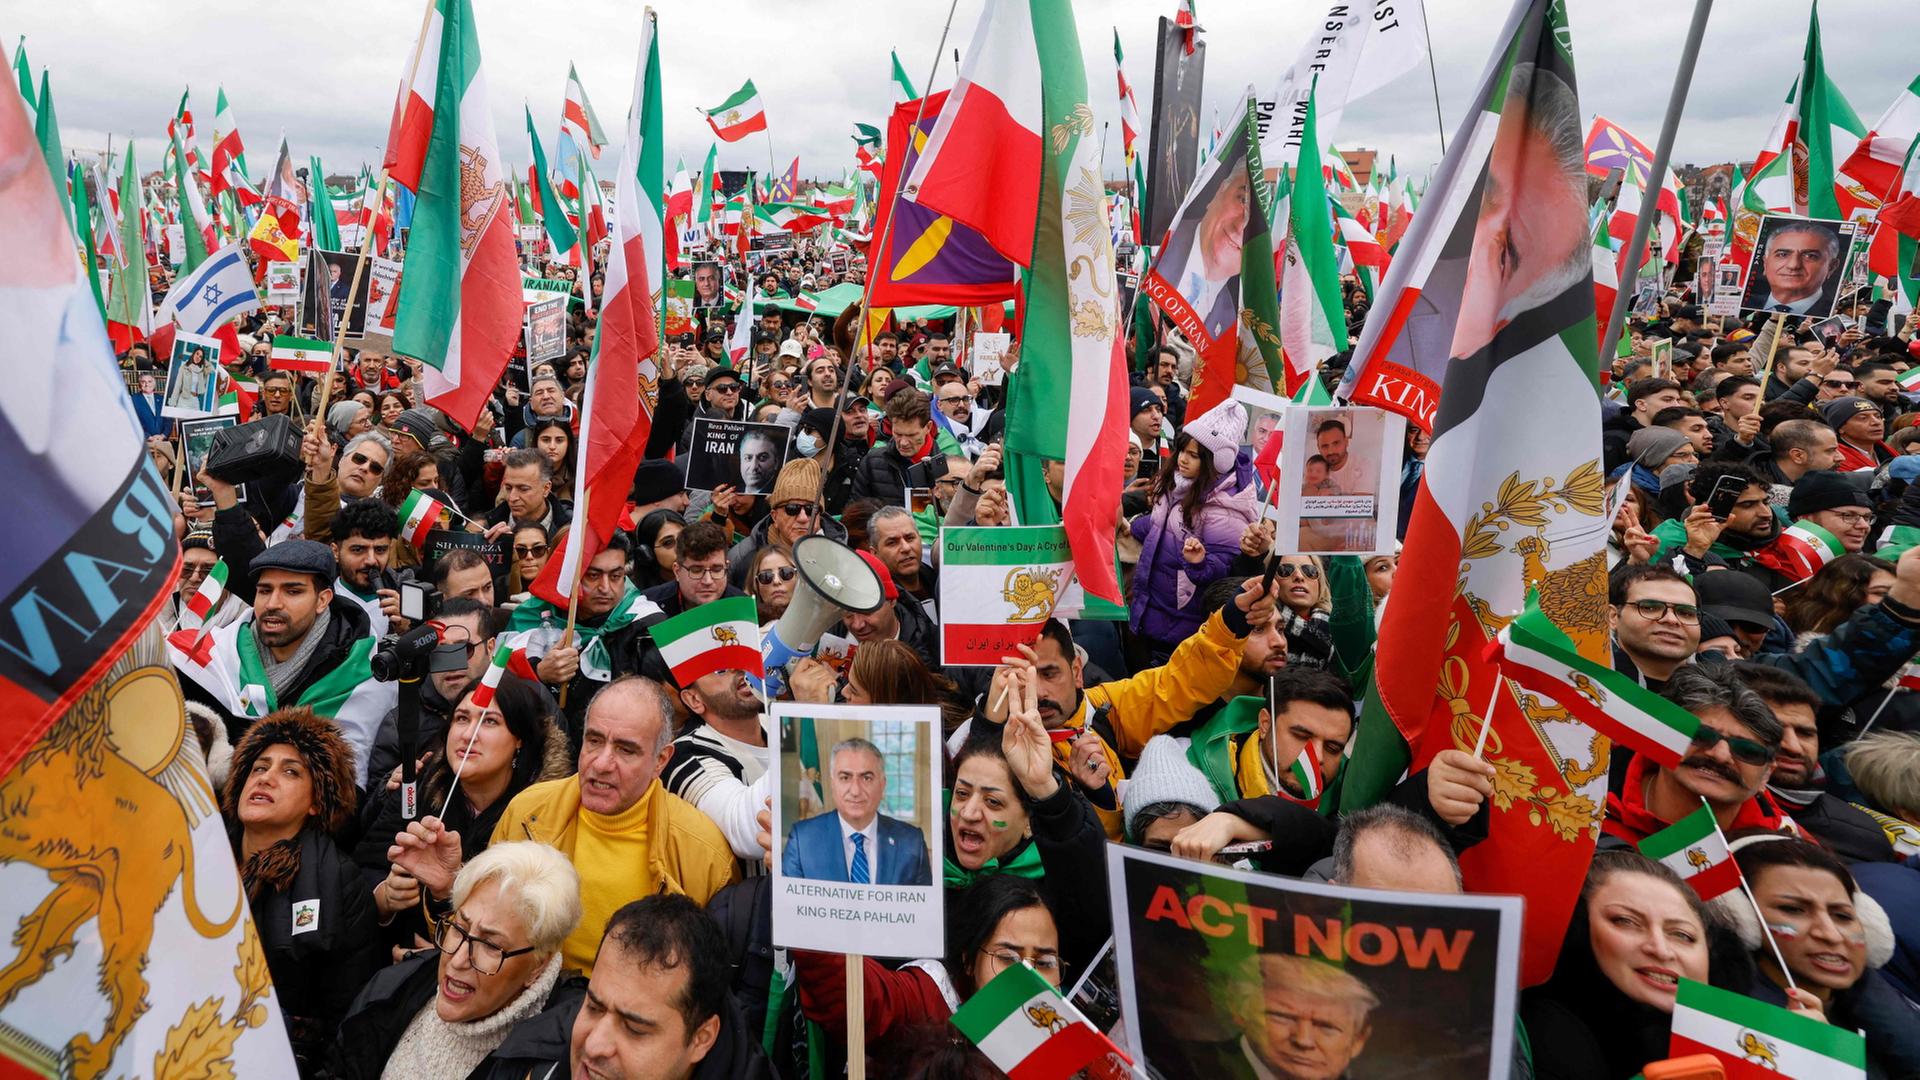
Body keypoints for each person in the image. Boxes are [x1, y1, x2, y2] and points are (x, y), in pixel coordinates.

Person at [388, 676, 737, 975]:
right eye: (595, 740)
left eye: (626, 750)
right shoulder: (527, 812)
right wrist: (446, 889)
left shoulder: (704, 853)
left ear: (662, 760)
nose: (602, 763)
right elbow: (481, 940)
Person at [325, 842, 582, 1079]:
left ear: (537, 967)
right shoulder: (392, 988)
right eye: (459, 928)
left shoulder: (557, 1063)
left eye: (490, 945)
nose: (458, 960)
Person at [222, 708, 382, 1072]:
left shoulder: (339, 883)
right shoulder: (194, 851)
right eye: (259, 767)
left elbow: (347, 1017)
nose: (266, 778)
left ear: (315, 802)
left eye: (290, 771)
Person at [172, 539, 396, 777]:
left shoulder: (365, 678)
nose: (272, 604)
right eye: (265, 590)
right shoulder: (208, 658)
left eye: (292, 591)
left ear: (323, 600)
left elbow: (353, 785)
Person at [793, 874, 1065, 1067]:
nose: (1026, 978)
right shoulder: (930, 1001)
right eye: (1008, 958)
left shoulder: (1062, 1032)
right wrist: (810, 900)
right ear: (969, 961)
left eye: (1044, 963)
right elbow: (858, 996)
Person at [1521, 850, 1749, 1080]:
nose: (1660, 949)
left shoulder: (1746, 1049)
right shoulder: (1530, 1036)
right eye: (1626, 921)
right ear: (1576, 928)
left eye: (1682, 935)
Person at [1719, 834, 1920, 1075]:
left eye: (1842, 916)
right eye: (1793, 910)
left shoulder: (1883, 1008)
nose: (1831, 935)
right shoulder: (1718, 1032)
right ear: (1741, 919)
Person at [1602, 664, 1793, 845]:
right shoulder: (1585, 801)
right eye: (1699, 735)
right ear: (1659, 736)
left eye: (1747, 750)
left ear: (1766, 774)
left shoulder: (1790, 853)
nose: (1720, 755)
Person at [1128, 403, 1259, 662]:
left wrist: (1199, 563)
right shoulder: (1179, 484)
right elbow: (1160, 526)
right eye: (1183, 451)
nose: (1183, 459)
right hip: (1152, 610)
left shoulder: (1225, 509)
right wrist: (1131, 526)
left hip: (1182, 624)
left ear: (1215, 462)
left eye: (1194, 455)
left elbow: (1225, 572)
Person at [782, 737, 931, 886]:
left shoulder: (912, 841)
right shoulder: (802, 840)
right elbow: (789, 907)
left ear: (882, 785)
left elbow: (925, 907)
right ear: (832, 784)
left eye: (866, 778)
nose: (855, 791)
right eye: (845, 777)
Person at [1746, 221, 1843, 315]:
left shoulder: (1833, 317)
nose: (1793, 265)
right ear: (1765, 263)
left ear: (1831, 267)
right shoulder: (1745, 306)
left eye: (1810, 256)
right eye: (1782, 254)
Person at [487, 448, 572, 534]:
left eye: (523, 489)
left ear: (546, 489)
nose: (512, 498)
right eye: (508, 488)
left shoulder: (572, 528)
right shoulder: (487, 525)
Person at [630, 508, 686, 592]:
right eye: (668, 542)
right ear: (647, 553)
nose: (680, 547)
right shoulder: (634, 597)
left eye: (684, 538)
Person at [736, 427, 781, 494]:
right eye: (748, 458)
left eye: (762, 458)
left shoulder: (780, 493)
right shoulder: (733, 491)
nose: (754, 467)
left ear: (776, 462)